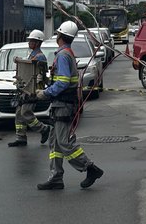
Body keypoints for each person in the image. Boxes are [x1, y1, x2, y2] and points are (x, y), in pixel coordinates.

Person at [35, 20, 104, 190]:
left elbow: (63, 82)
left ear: (59, 35)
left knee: (64, 142)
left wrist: (45, 93)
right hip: (61, 104)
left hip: (63, 104)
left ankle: (90, 168)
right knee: (55, 143)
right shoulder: (66, 53)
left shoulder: (63, 55)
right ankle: (56, 177)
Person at [8, 29, 52, 147]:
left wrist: (21, 60)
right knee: (19, 113)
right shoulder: (32, 54)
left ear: (37, 43)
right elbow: (27, 66)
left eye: (31, 41)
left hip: (33, 90)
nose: (29, 43)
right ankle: (21, 137)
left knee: (26, 112)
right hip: (25, 89)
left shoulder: (40, 57)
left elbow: (38, 71)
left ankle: (43, 129)